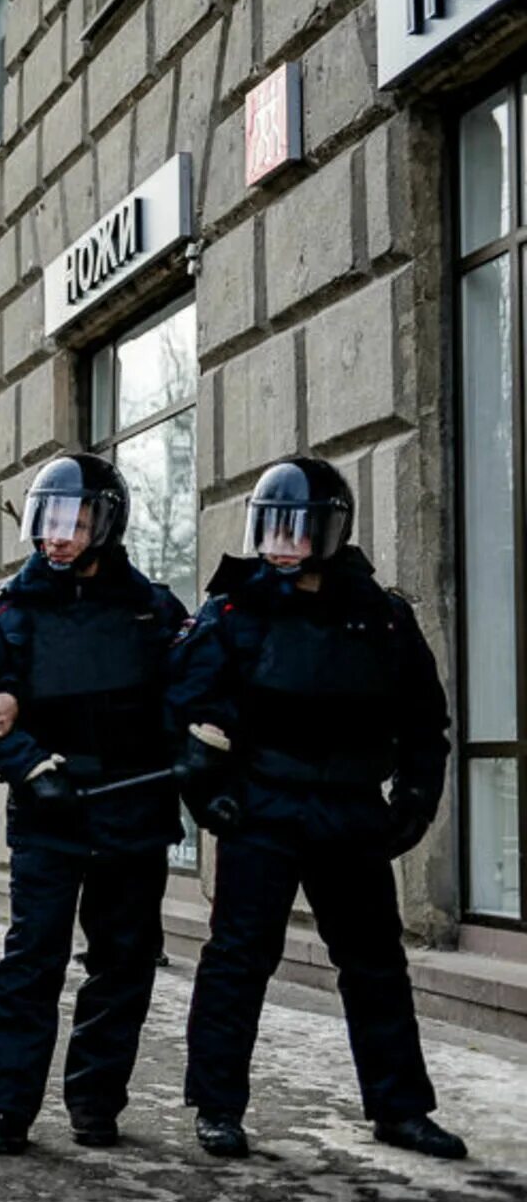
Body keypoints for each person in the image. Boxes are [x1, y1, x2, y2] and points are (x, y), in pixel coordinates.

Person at [170, 457, 466, 1160]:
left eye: (295, 530)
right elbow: (187, 712)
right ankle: (217, 1107)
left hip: (351, 814)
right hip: (262, 813)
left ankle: (400, 1109)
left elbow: (426, 722)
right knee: (238, 963)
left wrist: (416, 804)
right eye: (269, 528)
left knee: (375, 966)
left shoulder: (383, 619)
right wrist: (208, 795)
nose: (279, 543)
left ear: (330, 534)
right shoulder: (234, 612)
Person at [0, 454, 189, 1155]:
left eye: (75, 521)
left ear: (106, 525)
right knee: (32, 961)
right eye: (47, 520)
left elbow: (178, 700)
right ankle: (5, 1111)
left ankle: (95, 1102)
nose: (57, 536)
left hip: (134, 810)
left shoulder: (153, 611)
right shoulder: (7, 612)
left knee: (123, 963)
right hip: (50, 812)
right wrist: (27, 762)